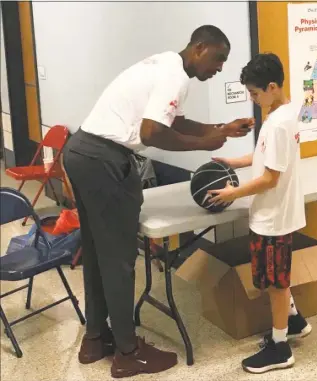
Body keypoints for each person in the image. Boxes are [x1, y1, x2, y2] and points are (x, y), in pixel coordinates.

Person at [62, 25, 254, 379]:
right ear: (199, 48)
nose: (220, 68)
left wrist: (220, 128)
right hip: (106, 160)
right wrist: (204, 146)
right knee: (118, 260)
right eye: (218, 59)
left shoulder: (164, 64)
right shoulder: (176, 76)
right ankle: (127, 352)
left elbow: (172, 121)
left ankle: (96, 340)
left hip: (81, 151)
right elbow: (152, 132)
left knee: (96, 252)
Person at [208, 53, 311, 374]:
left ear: (271, 86)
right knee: (274, 278)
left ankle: (281, 349)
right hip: (276, 213)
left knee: (276, 284)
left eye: (254, 93)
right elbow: (266, 156)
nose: (252, 100)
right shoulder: (286, 110)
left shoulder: (279, 123)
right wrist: (234, 162)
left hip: (274, 217)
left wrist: (231, 193)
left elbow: (270, 178)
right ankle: (294, 321)